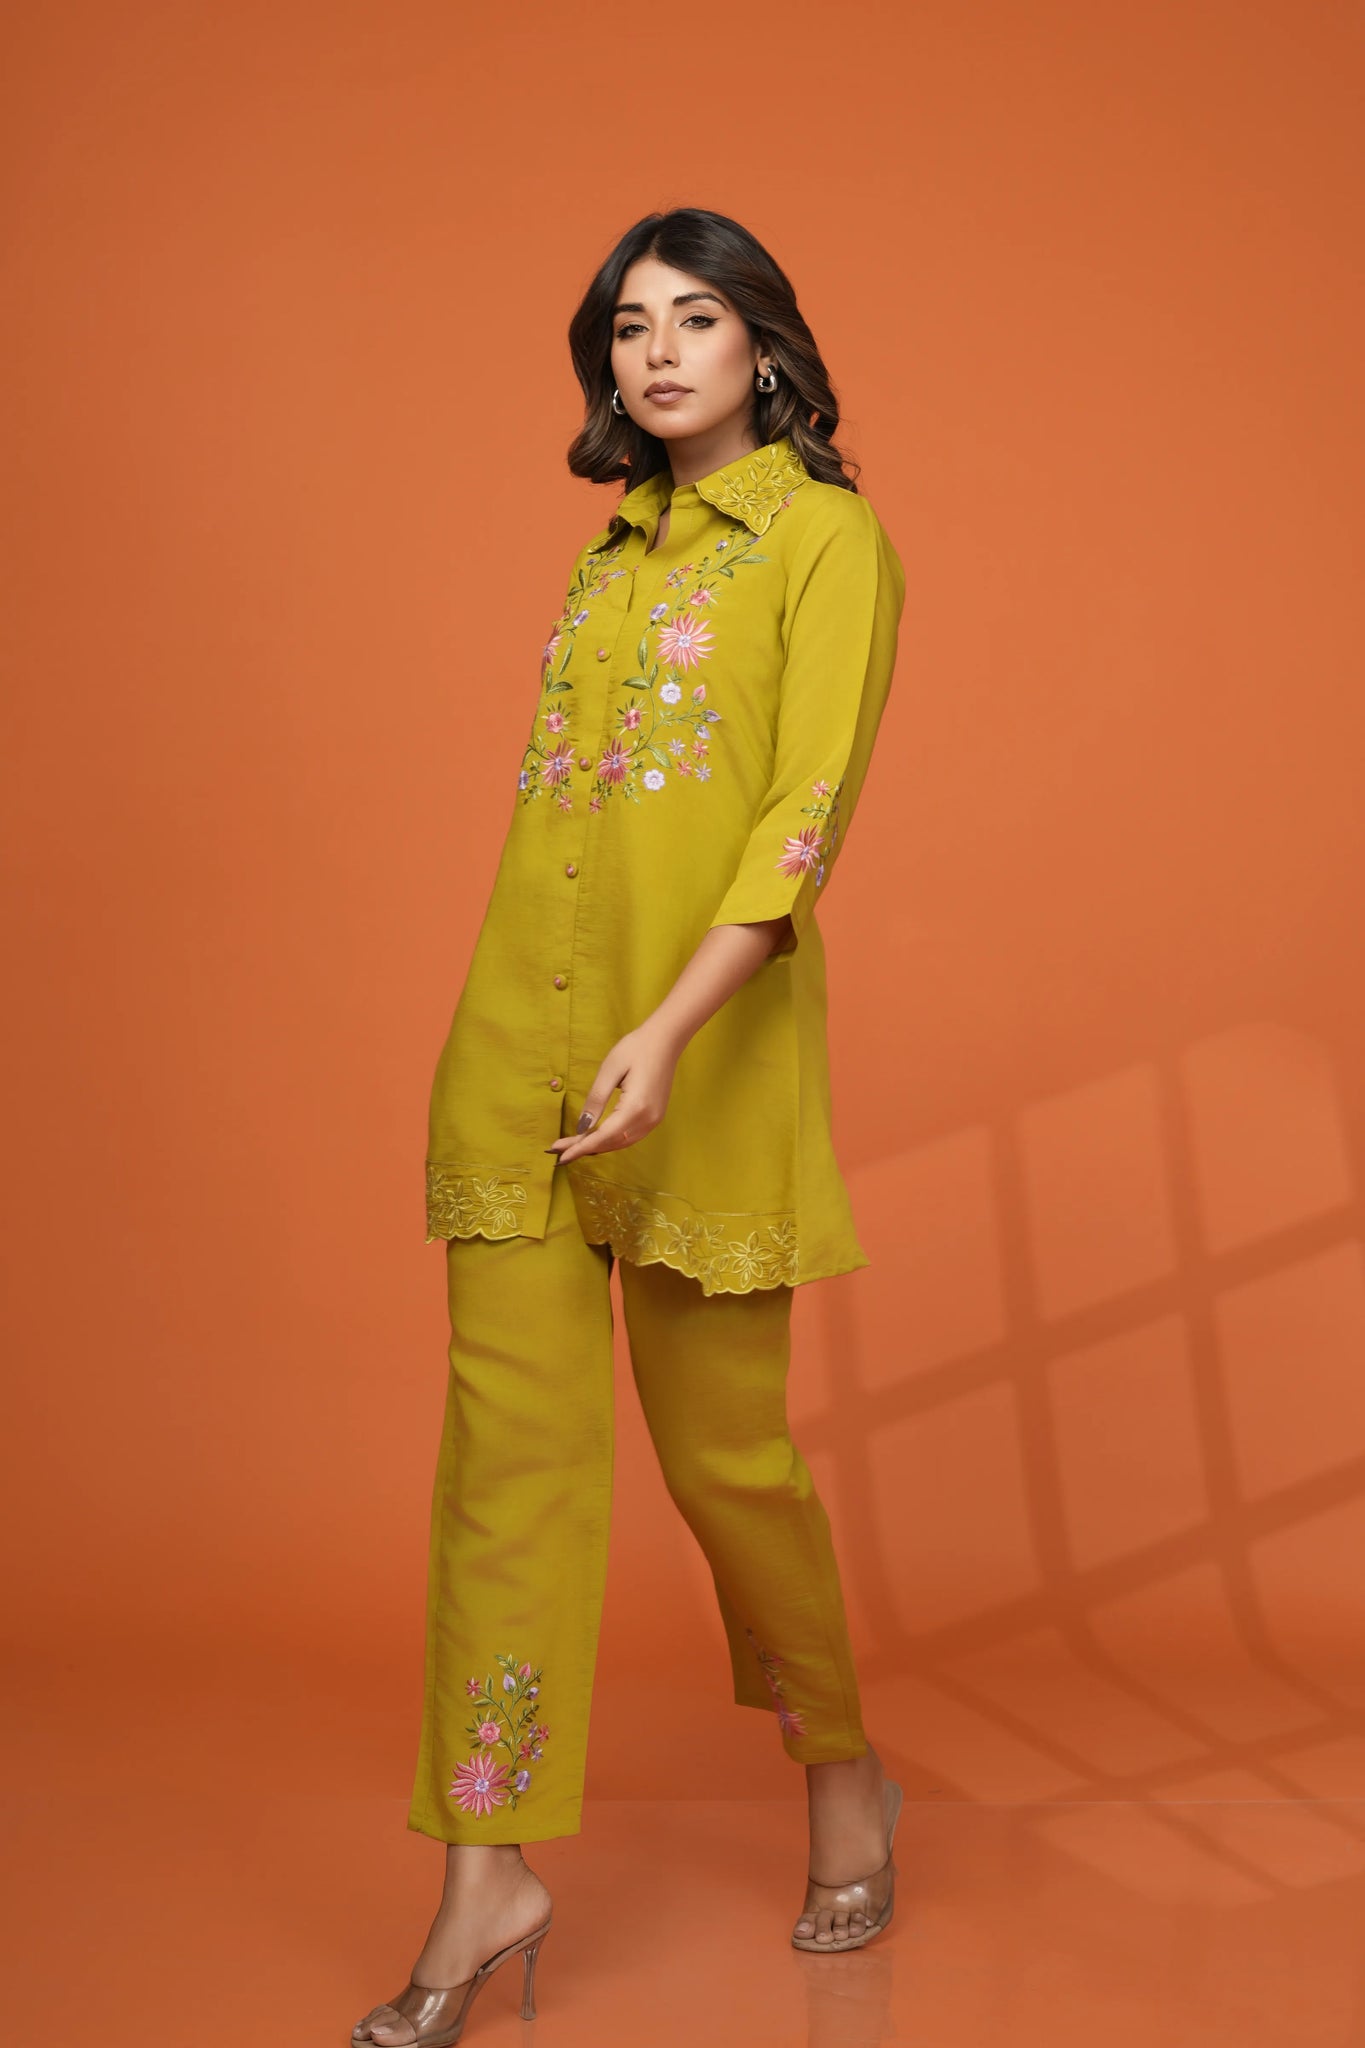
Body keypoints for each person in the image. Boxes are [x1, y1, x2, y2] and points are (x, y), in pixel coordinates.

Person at [353, 206, 907, 2048]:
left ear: (764, 344)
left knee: (725, 1464)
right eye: (627, 328)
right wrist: (543, 1041)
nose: (656, 354)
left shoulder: (824, 542)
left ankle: (839, 1764)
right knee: (501, 1477)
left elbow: (799, 826)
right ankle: (484, 1869)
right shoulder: (605, 557)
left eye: (695, 319)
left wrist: (666, 1033)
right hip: (517, 1060)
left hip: (704, 1065)